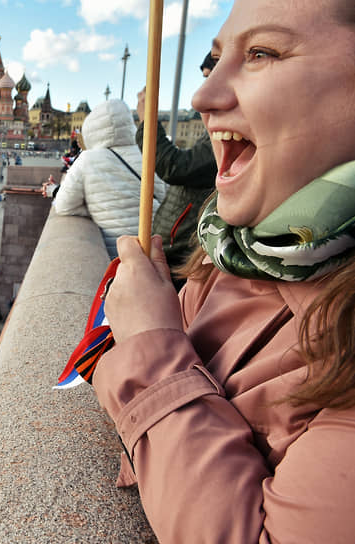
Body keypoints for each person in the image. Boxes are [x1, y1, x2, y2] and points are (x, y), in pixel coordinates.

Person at [90, 2, 355, 542]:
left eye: (261, 52)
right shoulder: (236, 253)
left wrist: (149, 340)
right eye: (214, 60)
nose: (202, 96)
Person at [44, 99, 167, 259]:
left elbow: (63, 206)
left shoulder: (87, 159)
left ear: (92, 130)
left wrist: (96, 209)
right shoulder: (152, 153)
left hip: (118, 256)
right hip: (160, 253)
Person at [134, 54, 217, 276]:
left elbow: (175, 167)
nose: (199, 98)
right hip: (173, 248)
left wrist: (147, 121)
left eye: (211, 76)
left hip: (178, 257)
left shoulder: (229, 136)